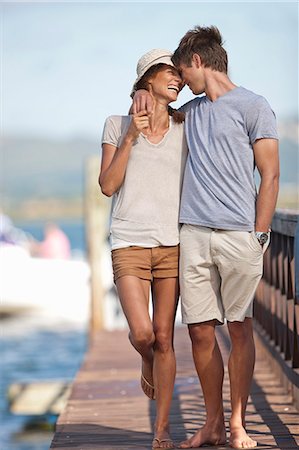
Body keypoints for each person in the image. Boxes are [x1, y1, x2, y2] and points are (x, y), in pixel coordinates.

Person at [132, 26, 279, 449]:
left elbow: (270, 174)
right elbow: (152, 109)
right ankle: (212, 423)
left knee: (240, 328)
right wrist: (143, 94)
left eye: (182, 71)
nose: (180, 82)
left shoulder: (255, 106)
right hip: (193, 235)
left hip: (239, 235)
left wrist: (260, 235)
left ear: (197, 61)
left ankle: (237, 424)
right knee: (198, 331)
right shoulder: (190, 112)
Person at [99, 49, 188, 449]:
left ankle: (162, 429)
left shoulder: (186, 126)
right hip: (129, 242)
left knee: (166, 337)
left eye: (179, 74)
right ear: (147, 78)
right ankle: (146, 358)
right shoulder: (117, 124)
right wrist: (132, 137)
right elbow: (107, 185)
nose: (178, 78)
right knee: (143, 333)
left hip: (173, 245)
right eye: (170, 71)